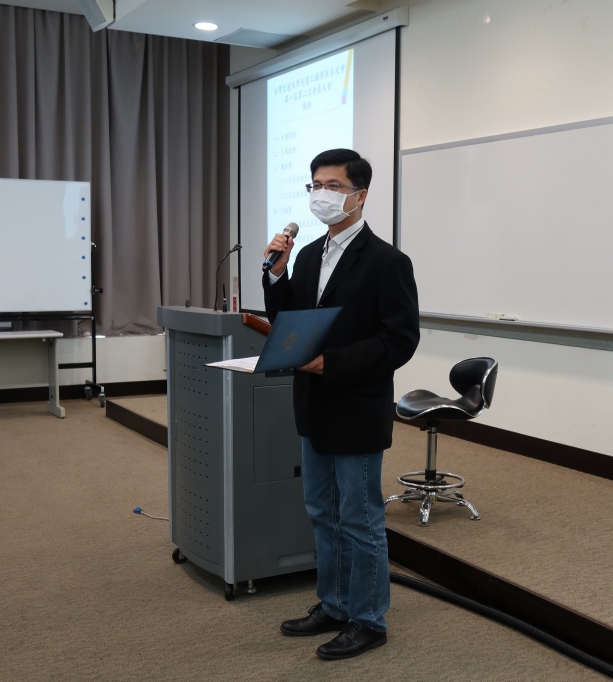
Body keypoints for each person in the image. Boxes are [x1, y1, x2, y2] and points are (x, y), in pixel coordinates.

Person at [262, 148, 419, 661]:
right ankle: (333, 604)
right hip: (313, 405)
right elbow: (291, 323)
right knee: (321, 513)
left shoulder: (388, 262)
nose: (321, 195)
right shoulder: (309, 254)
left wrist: (333, 363)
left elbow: (399, 341)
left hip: (356, 406)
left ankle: (368, 619)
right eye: (315, 186)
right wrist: (277, 276)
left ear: (360, 195)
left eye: (333, 186)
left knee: (359, 519)